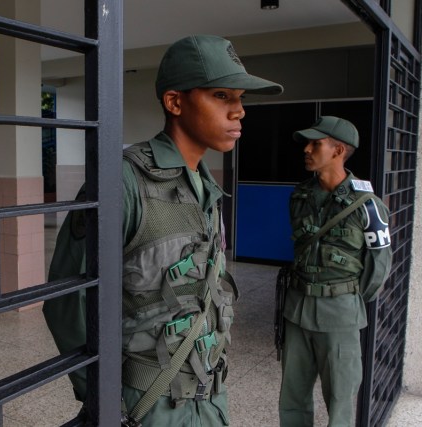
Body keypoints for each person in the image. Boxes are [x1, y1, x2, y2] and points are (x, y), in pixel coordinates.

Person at [43, 34, 283, 426]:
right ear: (175, 102)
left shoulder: (205, 187)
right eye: (222, 96)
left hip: (208, 395)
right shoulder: (122, 181)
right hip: (144, 406)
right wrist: (104, 400)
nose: (239, 111)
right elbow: (66, 302)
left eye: (241, 99)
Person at [279, 116, 393, 426]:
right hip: (297, 310)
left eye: (316, 143)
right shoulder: (300, 196)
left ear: (338, 150)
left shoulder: (368, 205)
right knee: (292, 397)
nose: (307, 149)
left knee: (341, 400)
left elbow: (378, 267)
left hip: (340, 314)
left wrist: (344, 297)